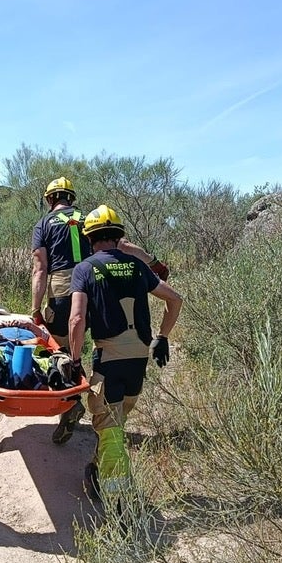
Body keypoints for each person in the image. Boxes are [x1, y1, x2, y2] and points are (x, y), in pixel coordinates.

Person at [68, 204, 183, 532]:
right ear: (118, 237)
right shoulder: (136, 266)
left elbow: (76, 319)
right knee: (115, 423)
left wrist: (74, 360)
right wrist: (162, 338)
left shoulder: (85, 269)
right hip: (138, 362)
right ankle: (97, 471)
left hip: (108, 361)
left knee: (112, 430)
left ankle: (120, 508)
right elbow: (175, 299)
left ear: (90, 239)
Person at [30, 176, 170, 445]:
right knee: (103, 340)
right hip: (99, 281)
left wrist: (36, 308)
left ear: (50, 200)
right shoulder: (90, 218)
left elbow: (40, 268)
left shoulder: (43, 224)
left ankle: (71, 403)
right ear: (72, 198)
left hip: (64, 288)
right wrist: (155, 264)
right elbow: (123, 247)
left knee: (62, 352)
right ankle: (108, 401)